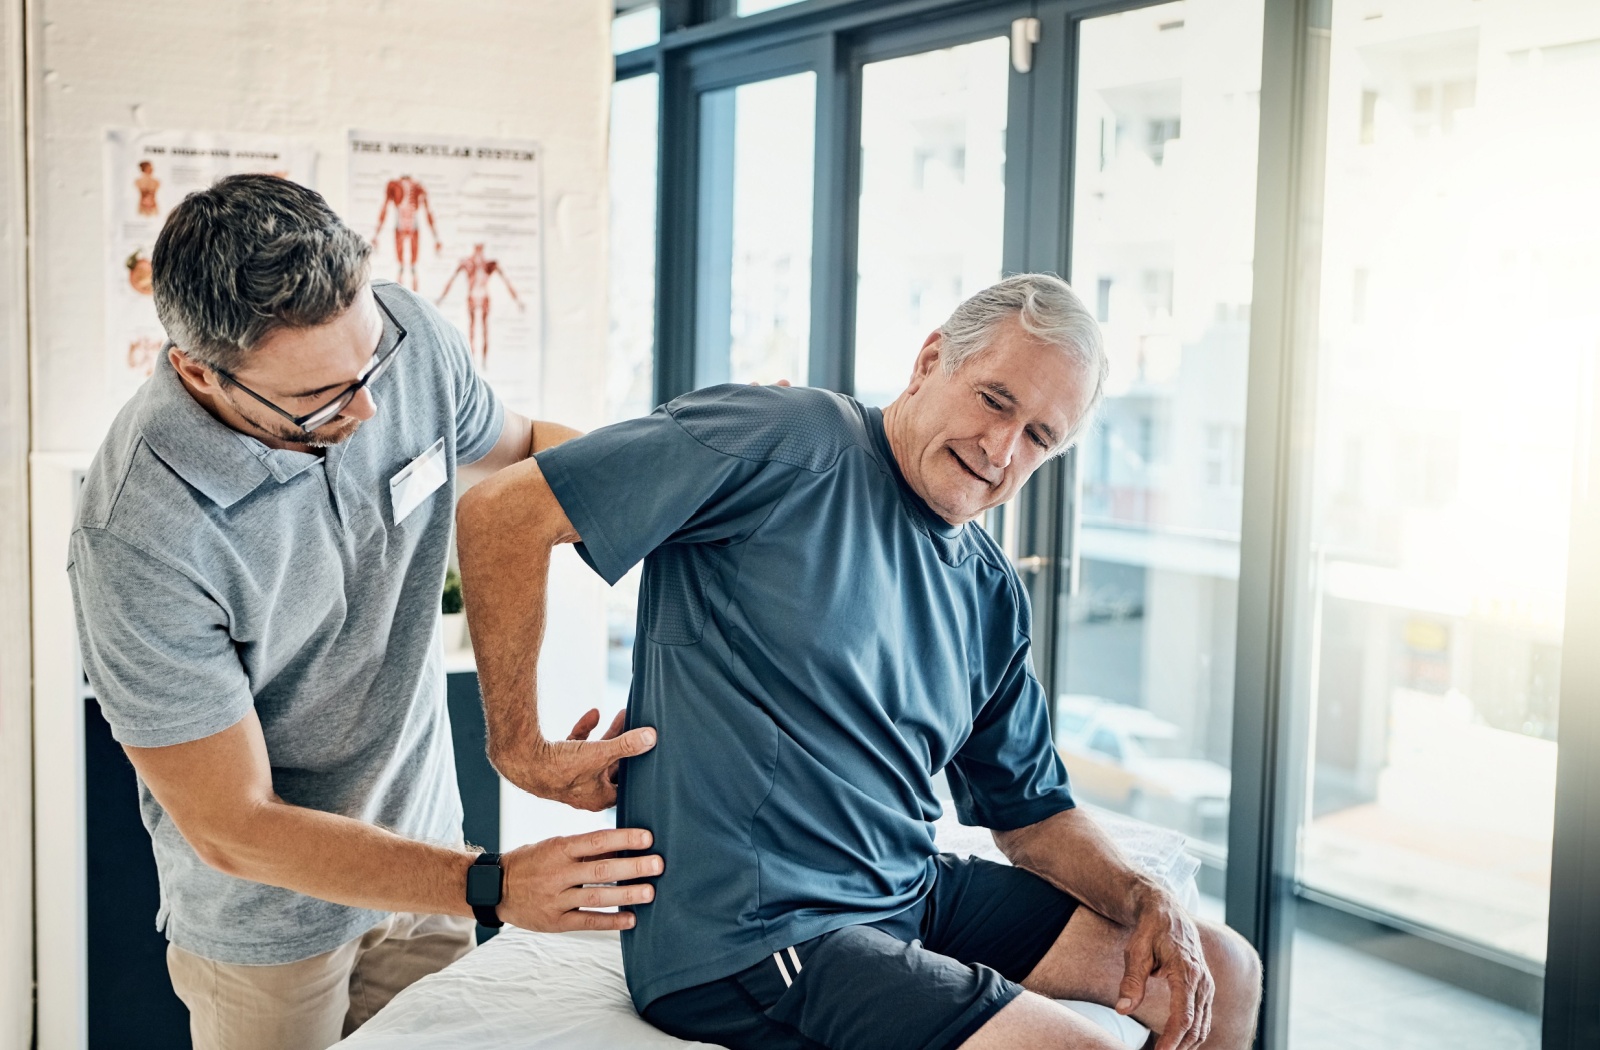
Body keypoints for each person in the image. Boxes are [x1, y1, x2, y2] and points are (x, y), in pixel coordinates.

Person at [457, 274, 1263, 1050]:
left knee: (1225, 971)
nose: (1000, 447)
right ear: (929, 361)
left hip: (907, 891)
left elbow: (1032, 817)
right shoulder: (781, 436)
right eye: (994, 400)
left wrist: (1142, 895)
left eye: (1038, 438)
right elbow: (504, 512)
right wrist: (519, 748)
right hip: (752, 928)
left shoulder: (986, 587)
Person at [68, 174, 660, 1050]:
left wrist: (683, 489)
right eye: (320, 400)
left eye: (370, 363)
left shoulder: (403, 340)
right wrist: (493, 885)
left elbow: (529, 454)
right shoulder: (141, 532)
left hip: (427, 854)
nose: (373, 408)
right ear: (199, 370)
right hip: (269, 923)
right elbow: (235, 825)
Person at [437, 242, 522, 368]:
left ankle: (484, 363)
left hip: (483, 297)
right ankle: (473, 363)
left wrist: (517, 300)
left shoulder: (490, 265)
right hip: (472, 296)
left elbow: (506, 281)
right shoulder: (467, 264)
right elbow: (452, 280)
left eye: (480, 249)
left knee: (484, 329)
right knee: (472, 329)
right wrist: (441, 298)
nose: (478, 253)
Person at [373, 174, 441, 291]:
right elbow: (385, 207)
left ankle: (415, 298)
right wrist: (376, 234)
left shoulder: (418, 187)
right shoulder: (395, 185)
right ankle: (401, 295)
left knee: (412, 267)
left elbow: (427, 212)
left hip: (412, 226)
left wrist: (436, 238)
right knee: (402, 267)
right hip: (401, 225)